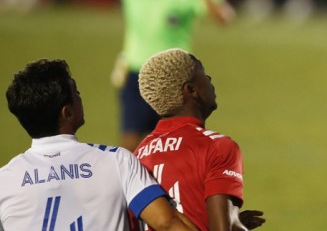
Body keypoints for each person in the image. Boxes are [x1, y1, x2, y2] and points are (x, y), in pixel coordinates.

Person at [26, 0, 235, 151]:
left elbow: (225, 18)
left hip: (177, 81)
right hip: (138, 74)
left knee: (177, 146)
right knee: (131, 146)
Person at [0, 58, 197, 231]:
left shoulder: (5, 180)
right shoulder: (116, 160)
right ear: (67, 113)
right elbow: (166, 223)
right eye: (76, 92)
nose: (80, 96)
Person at [133, 48, 264, 230]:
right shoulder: (217, 146)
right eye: (204, 75)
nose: (210, 80)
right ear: (191, 90)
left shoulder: (138, 153)